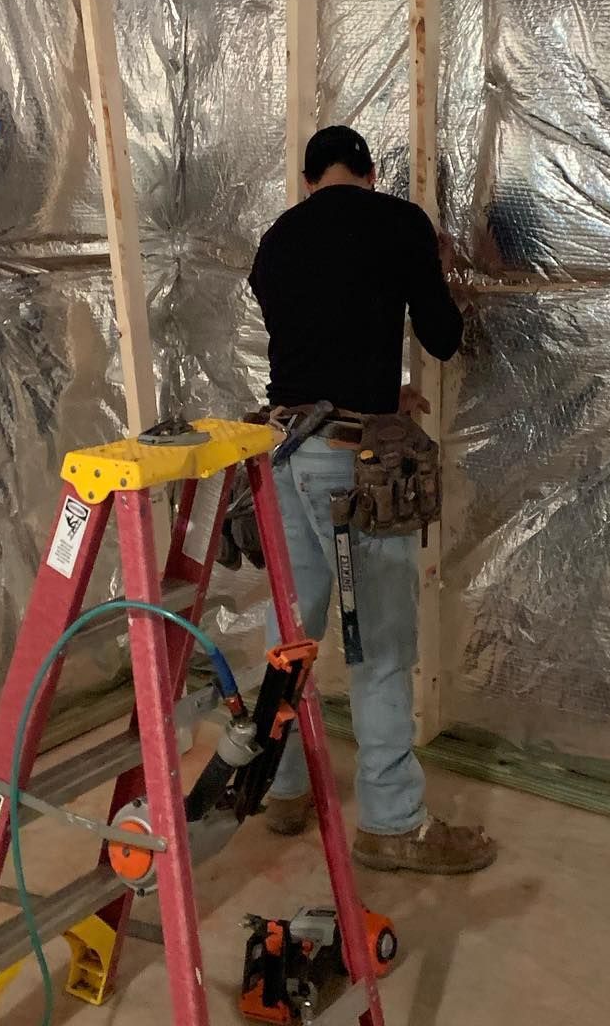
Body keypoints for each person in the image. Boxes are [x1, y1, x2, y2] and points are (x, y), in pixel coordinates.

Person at [247, 125, 496, 875]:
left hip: (281, 451)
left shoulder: (276, 241)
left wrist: (380, 394)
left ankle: (281, 788)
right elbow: (443, 338)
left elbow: (315, 348)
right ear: (370, 172)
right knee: (380, 646)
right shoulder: (399, 223)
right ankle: (391, 822)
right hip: (349, 467)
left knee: (290, 634)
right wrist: (438, 268)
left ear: (308, 179)